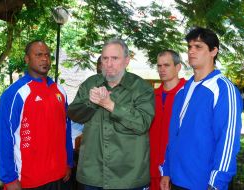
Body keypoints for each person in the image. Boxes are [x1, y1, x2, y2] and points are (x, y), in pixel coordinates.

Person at [160, 27, 243, 190]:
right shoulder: (182, 91)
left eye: (198, 47)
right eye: (189, 47)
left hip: (205, 184)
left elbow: (227, 141)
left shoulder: (223, 89)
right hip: (177, 181)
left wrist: (217, 182)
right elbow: (175, 135)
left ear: (213, 51)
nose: (191, 51)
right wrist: (167, 170)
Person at [68, 39, 155, 189]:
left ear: (126, 61)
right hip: (92, 175)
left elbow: (142, 123)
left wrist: (109, 105)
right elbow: (74, 114)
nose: (109, 64)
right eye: (105, 58)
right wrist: (91, 102)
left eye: (115, 58)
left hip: (129, 177)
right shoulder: (90, 83)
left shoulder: (141, 88)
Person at [0, 40, 73, 190]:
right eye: (38, 55)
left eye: (47, 55)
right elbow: (4, 138)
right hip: (28, 180)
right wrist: (9, 178)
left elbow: (66, 130)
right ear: (27, 59)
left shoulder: (60, 91)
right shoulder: (15, 93)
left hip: (58, 176)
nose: (44, 59)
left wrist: (68, 162)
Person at [149, 50, 186, 190]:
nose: (162, 69)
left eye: (166, 65)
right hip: (151, 170)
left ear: (178, 67)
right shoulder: (151, 96)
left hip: (177, 172)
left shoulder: (188, 93)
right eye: (159, 66)